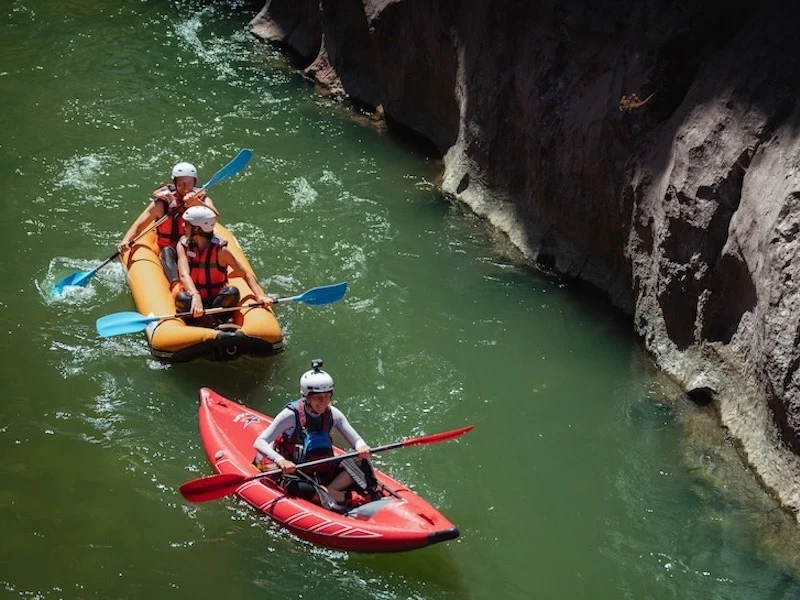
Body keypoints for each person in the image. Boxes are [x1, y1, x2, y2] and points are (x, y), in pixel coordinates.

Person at [253, 360, 376, 510]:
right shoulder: (290, 415)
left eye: (327, 396)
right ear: (306, 397)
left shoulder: (333, 414)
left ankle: (327, 491)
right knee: (294, 487)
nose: (323, 402)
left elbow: (356, 440)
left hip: (322, 468)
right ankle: (344, 497)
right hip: (295, 471)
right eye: (318, 398)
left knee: (359, 462)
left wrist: (362, 447)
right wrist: (281, 461)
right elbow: (260, 442)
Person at [118, 162, 216, 293]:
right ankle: (176, 286)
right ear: (175, 183)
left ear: (195, 182)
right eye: (181, 184)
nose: (186, 188)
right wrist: (126, 241)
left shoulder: (202, 200)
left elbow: (215, 217)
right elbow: (139, 226)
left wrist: (196, 203)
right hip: (170, 249)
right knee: (167, 252)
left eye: (189, 183)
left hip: (193, 246)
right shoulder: (162, 204)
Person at [175, 205, 272, 327]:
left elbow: (245, 274)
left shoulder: (221, 251)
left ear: (197, 229)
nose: (183, 226)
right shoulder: (183, 246)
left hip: (217, 302)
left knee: (232, 292)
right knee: (182, 298)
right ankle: (211, 323)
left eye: (187, 224)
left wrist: (260, 296)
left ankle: (209, 322)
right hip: (194, 300)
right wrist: (195, 295)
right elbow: (184, 274)